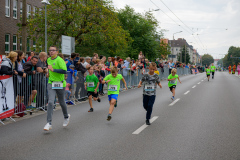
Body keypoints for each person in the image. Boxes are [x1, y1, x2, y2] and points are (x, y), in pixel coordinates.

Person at [43, 46, 70, 131]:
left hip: (60, 83)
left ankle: (66, 116)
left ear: (57, 52)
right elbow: (49, 69)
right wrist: (48, 72)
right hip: (51, 83)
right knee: (51, 102)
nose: (51, 52)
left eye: (53, 50)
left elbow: (64, 71)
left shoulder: (60, 60)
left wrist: (53, 70)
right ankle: (49, 123)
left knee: (62, 102)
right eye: (50, 50)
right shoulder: (48, 60)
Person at [0, 51, 19, 118]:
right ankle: (5, 113)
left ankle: (9, 112)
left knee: (9, 96)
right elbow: (3, 71)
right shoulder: (6, 62)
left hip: (8, 82)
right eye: (16, 56)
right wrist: (12, 72)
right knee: (4, 96)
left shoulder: (11, 62)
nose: (17, 58)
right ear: (13, 57)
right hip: (5, 82)